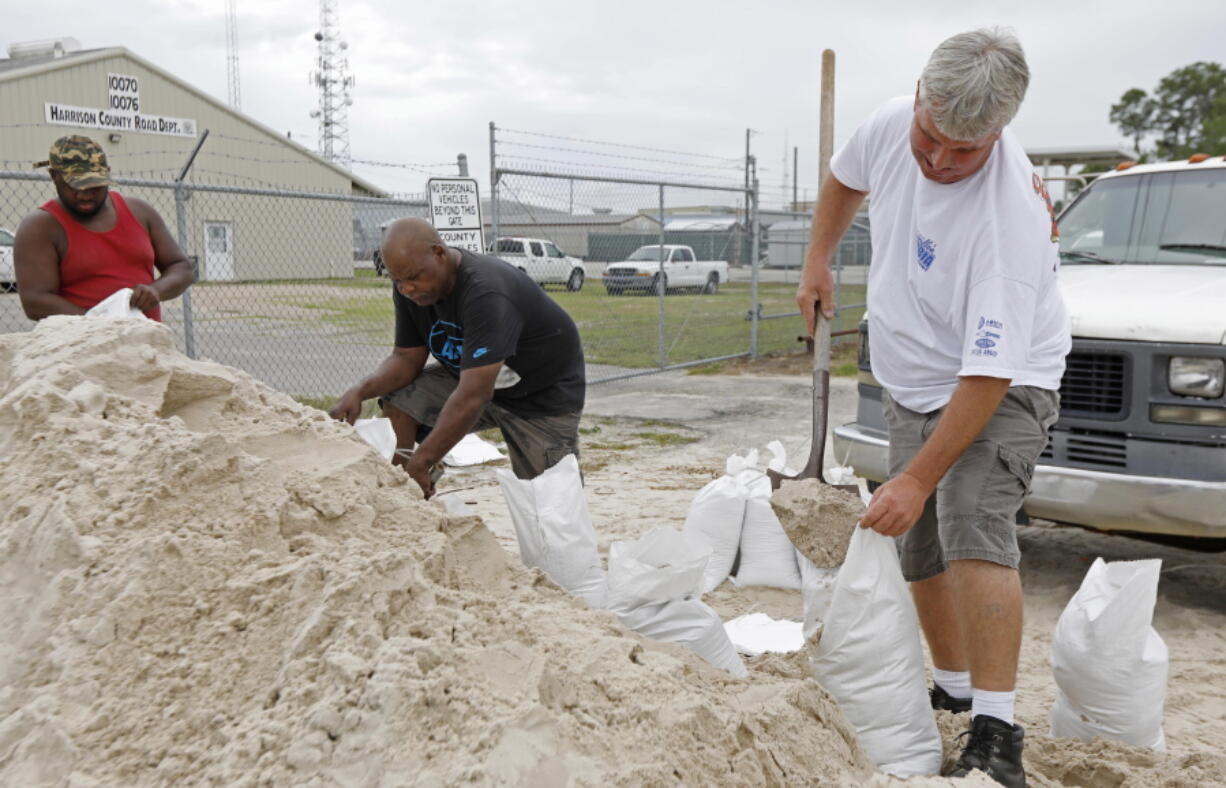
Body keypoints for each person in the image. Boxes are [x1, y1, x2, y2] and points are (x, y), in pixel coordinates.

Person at [796, 29, 1069, 787]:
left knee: (970, 525)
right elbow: (846, 179)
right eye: (931, 139)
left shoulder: (1006, 220)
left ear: (999, 133)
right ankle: (953, 686)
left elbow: (987, 375)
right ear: (918, 97)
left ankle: (997, 727)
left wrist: (917, 478)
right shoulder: (892, 121)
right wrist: (819, 257)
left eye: (964, 151)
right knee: (918, 545)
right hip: (912, 372)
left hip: (1003, 382)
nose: (940, 161)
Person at [330, 218, 585, 498]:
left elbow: (473, 396)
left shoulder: (486, 292)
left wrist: (425, 458)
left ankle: (419, 470)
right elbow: (406, 358)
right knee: (399, 399)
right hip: (475, 380)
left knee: (552, 501)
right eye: (397, 280)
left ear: (439, 253)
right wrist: (359, 391)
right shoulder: (409, 285)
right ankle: (404, 495)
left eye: (413, 277)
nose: (406, 289)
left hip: (540, 396)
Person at [14, 135, 192, 321]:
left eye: (94, 186)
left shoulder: (140, 212)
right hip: (81, 345)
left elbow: (181, 267)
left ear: (107, 173)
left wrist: (156, 291)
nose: (85, 195)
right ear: (54, 176)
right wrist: (101, 325)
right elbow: (35, 301)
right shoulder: (40, 228)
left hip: (144, 343)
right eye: (74, 186)